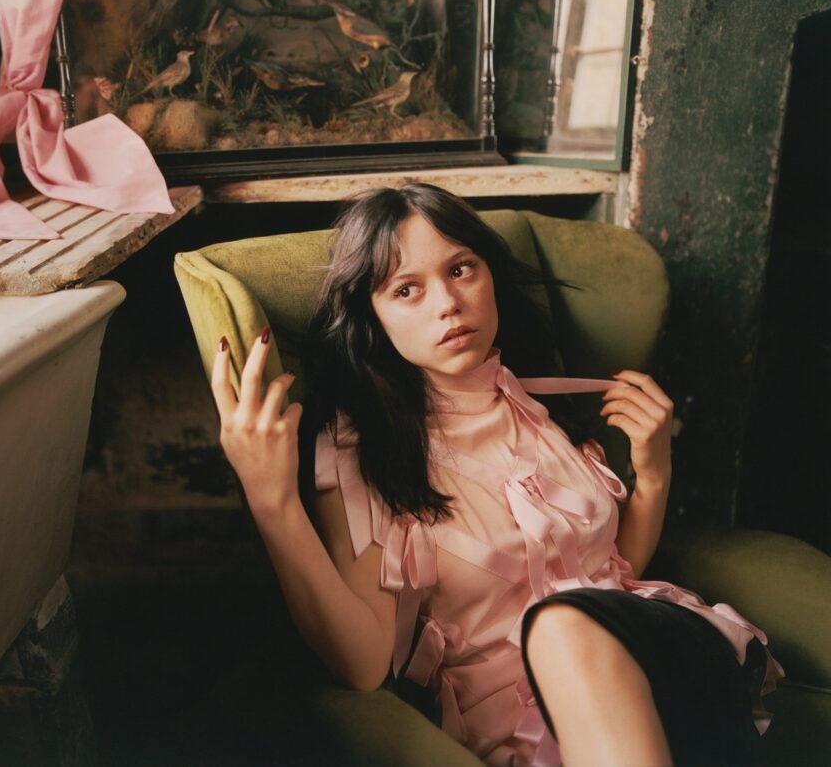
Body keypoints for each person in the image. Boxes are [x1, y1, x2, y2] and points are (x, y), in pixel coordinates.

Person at [208, 184, 779, 766]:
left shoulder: (541, 403)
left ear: (490, 278)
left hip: (664, 664)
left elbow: (616, 572)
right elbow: (364, 665)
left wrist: (654, 474)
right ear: (372, 316)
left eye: (461, 269)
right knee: (559, 631)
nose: (448, 303)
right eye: (406, 289)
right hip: (531, 738)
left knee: (558, 626)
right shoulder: (360, 451)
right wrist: (273, 502)